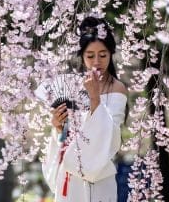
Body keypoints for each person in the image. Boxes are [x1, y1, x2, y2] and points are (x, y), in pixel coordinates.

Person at [40, 16, 128, 202]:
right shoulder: (71, 85)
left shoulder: (117, 88)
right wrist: (57, 127)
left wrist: (95, 96)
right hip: (69, 178)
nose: (97, 61)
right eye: (90, 56)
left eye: (103, 55)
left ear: (111, 54)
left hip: (100, 179)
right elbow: (66, 136)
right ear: (82, 56)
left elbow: (109, 137)